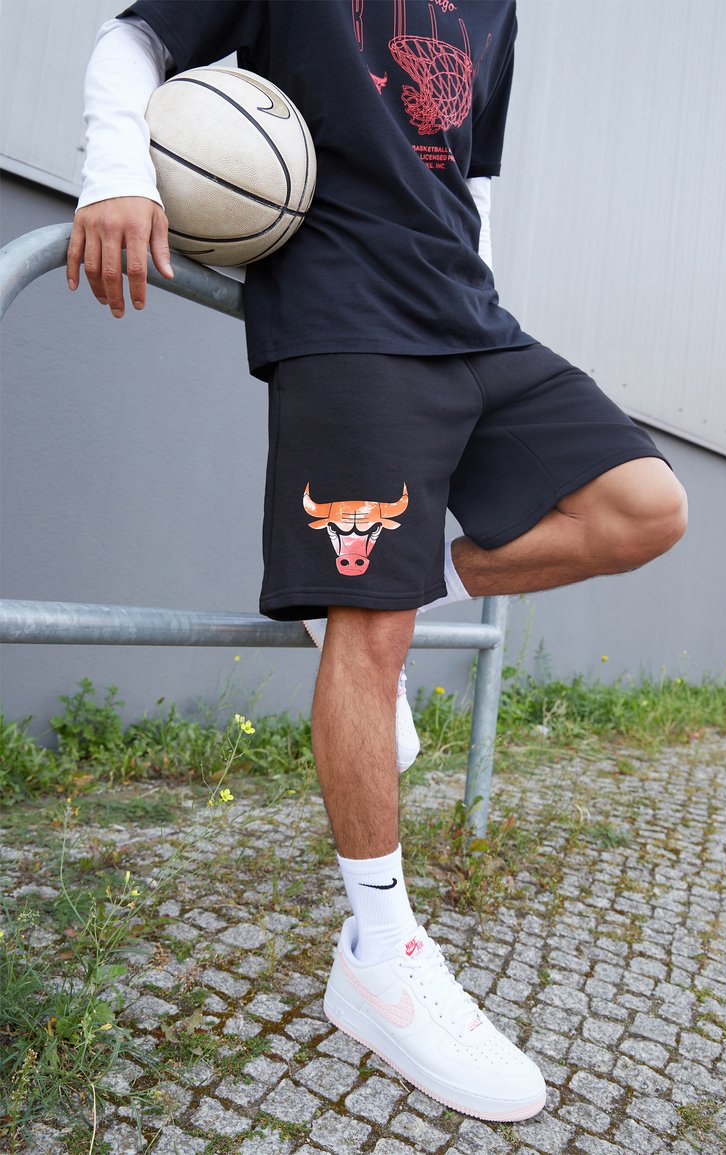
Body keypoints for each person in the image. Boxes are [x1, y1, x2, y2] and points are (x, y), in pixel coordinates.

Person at [67, 0, 687, 1122]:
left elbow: (471, 176)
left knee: (644, 507)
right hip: (347, 314)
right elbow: (133, 41)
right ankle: (380, 952)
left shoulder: (496, 8)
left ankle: (397, 577)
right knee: (369, 639)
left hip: (472, 318)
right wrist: (116, 174)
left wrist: (482, 291)